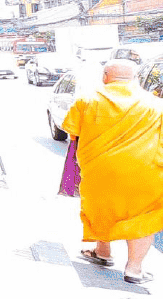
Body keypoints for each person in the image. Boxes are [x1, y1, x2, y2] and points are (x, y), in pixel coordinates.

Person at [65, 59, 163, 285]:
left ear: (105, 76)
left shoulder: (86, 100)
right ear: (135, 78)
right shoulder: (156, 105)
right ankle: (134, 269)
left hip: (100, 172)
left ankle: (103, 252)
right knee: (143, 218)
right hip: (145, 172)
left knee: (102, 210)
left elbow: (72, 133)